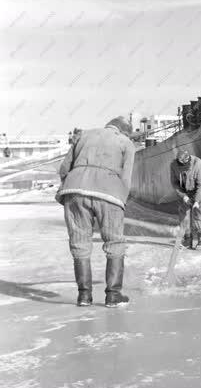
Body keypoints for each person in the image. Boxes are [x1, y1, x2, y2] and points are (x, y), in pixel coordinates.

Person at [57, 116, 135, 307]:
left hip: (74, 190)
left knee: (80, 242)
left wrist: (71, 185)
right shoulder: (125, 142)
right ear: (124, 131)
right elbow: (126, 177)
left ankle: (84, 296)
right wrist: (121, 200)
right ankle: (113, 295)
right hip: (109, 192)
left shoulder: (84, 135)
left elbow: (64, 168)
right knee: (114, 241)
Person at [170, 149, 201, 250]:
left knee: (199, 215)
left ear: (188, 158)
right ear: (178, 159)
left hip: (200, 192)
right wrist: (183, 196)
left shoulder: (198, 163)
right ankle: (187, 239)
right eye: (181, 161)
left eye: (186, 161)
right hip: (185, 193)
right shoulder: (173, 165)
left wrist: (197, 200)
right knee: (184, 216)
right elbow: (174, 183)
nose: (183, 163)